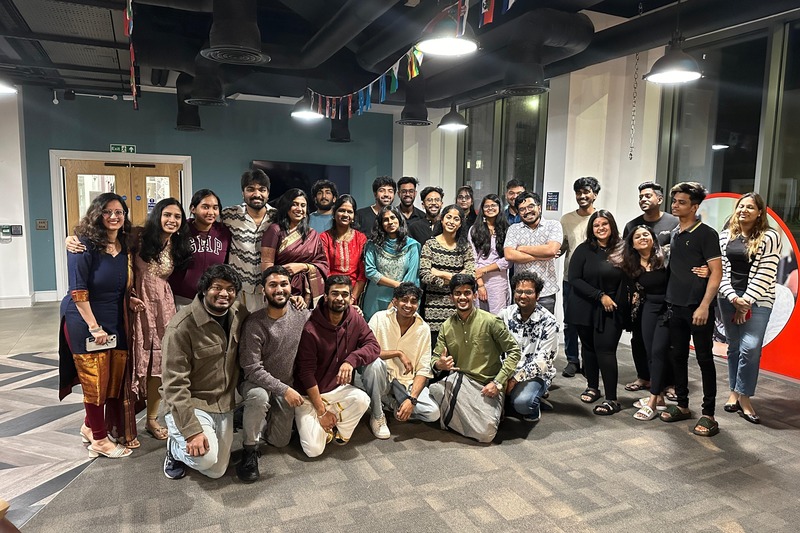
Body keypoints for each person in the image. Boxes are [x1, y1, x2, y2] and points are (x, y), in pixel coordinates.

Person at [58, 193, 135, 459]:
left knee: (111, 378)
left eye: (119, 212)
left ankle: (90, 426)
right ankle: (100, 441)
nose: (114, 216)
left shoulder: (124, 244)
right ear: (97, 214)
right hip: (84, 320)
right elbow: (78, 290)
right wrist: (94, 327)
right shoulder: (82, 245)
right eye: (107, 211)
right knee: (94, 379)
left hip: (114, 318)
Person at [161, 264, 247, 479]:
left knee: (217, 471)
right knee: (205, 458)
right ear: (203, 290)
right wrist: (191, 431)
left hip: (223, 404)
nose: (224, 294)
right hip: (192, 403)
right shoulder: (181, 327)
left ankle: (187, 443)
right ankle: (174, 448)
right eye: (217, 287)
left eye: (230, 289)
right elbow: (174, 384)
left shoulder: (239, 314)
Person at [293, 276, 382, 457]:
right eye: (335, 294)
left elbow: (373, 346)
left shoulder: (354, 318)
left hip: (335, 389)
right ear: (325, 296)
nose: (340, 298)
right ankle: (323, 419)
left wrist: (351, 360)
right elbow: (306, 373)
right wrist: (321, 410)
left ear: (351, 298)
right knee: (313, 451)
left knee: (362, 400)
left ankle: (331, 426)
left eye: (344, 294)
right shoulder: (311, 328)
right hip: (310, 394)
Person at [128, 198, 193, 445]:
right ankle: (125, 418)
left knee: (159, 362)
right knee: (135, 360)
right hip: (136, 304)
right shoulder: (138, 237)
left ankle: (152, 418)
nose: (172, 220)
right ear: (158, 215)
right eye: (168, 215)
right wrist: (73, 241)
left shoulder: (176, 244)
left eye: (177, 217)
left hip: (163, 307)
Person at [237, 266, 310, 482]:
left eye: (284, 284)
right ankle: (249, 451)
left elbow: (327, 318)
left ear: (291, 288)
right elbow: (251, 368)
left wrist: (355, 311)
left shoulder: (301, 315)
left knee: (280, 441)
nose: (279, 289)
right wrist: (284, 389)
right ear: (263, 290)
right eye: (273, 285)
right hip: (255, 383)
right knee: (259, 397)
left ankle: (255, 416)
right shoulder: (254, 323)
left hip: (284, 386)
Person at [660, 182, 722, 437]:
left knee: (705, 360)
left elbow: (716, 273)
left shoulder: (707, 234)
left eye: (681, 202)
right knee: (678, 357)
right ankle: (683, 405)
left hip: (698, 309)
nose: (675, 205)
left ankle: (708, 414)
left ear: (695, 207)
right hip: (675, 306)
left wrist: (705, 305)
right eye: (674, 201)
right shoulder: (675, 232)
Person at [428, 274, 521, 443]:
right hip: (461, 381)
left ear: (475, 295)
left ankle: (454, 416)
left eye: (467, 293)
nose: (462, 297)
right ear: (451, 298)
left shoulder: (491, 321)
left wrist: (498, 382)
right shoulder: (446, 326)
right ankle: (463, 414)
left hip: (488, 385)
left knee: (486, 434)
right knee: (434, 391)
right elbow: (435, 358)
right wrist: (439, 364)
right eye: (457, 293)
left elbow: (514, 351)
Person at [719, 193, 781, 424]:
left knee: (751, 347)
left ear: (759, 213)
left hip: (759, 301)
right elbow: (722, 271)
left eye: (750, 207)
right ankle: (734, 392)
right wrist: (734, 298)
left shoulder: (770, 237)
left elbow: (767, 273)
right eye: (741, 206)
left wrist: (746, 301)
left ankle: (745, 396)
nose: (744, 210)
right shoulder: (726, 236)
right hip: (728, 298)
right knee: (734, 346)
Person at [565, 210, 624, 416]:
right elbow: (574, 278)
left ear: (612, 226)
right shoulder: (583, 249)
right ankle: (592, 387)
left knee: (606, 351)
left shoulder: (621, 249)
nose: (600, 228)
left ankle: (612, 399)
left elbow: (630, 275)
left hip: (611, 309)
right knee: (588, 349)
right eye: (596, 225)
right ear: (592, 228)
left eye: (604, 224)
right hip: (584, 305)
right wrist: (599, 295)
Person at [621, 181, 679, 391]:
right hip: (640, 296)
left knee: (666, 343)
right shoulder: (631, 225)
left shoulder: (674, 222)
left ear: (659, 199)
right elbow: (625, 256)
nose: (643, 200)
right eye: (641, 197)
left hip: (665, 294)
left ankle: (669, 382)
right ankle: (643, 376)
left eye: (648, 196)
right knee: (639, 339)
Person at [610, 226, 671, 421]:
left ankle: (653, 401)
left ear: (653, 238)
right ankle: (659, 396)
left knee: (659, 351)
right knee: (651, 352)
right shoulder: (631, 264)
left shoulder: (667, 257)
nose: (643, 238)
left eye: (646, 234)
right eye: (638, 236)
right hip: (649, 309)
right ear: (632, 244)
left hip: (669, 308)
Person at [367, 283, 439, 426]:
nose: (408, 305)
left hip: (405, 382)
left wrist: (412, 399)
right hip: (383, 378)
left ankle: (392, 404)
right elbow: (367, 352)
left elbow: (424, 369)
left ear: (417, 304)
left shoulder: (423, 328)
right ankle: (377, 414)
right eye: (404, 300)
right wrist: (398, 353)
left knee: (432, 413)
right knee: (374, 364)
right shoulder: (379, 318)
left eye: (413, 301)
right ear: (395, 301)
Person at [498, 271, 559, 423]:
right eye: (519, 291)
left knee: (523, 403)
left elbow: (542, 362)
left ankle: (533, 404)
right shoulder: (505, 314)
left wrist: (513, 381)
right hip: (507, 369)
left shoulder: (549, 322)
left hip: (533, 374)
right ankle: (513, 398)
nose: (523, 296)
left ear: (537, 295)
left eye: (528, 292)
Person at [559, 177, 600, 378]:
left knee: (591, 322)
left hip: (594, 280)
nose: (582, 196)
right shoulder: (566, 219)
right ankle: (572, 360)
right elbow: (564, 245)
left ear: (595, 194)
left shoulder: (602, 218)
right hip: (570, 278)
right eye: (579, 193)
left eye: (586, 192)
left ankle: (589, 360)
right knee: (570, 322)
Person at [261, 188, 329, 307]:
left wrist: (303, 266)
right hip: (281, 291)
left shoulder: (312, 234)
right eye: (294, 204)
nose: (299, 209)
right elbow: (267, 265)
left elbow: (323, 264)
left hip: (308, 293)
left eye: (303, 205)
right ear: (286, 206)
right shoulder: (275, 230)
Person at [419, 204, 475, 343]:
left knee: (458, 349)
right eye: (448, 217)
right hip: (433, 307)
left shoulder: (465, 246)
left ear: (461, 223)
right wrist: (455, 278)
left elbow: (470, 274)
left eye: (456, 219)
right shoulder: (430, 244)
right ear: (442, 220)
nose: (451, 221)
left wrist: (440, 273)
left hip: (459, 305)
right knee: (436, 350)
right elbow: (425, 274)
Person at [222, 169, 275, 312]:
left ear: (268, 193)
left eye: (262, 190)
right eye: (250, 189)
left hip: (268, 290)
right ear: (243, 193)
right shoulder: (228, 215)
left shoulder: (277, 217)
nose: (257, 194)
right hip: (239, 290)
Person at [168, 189, 232, 307]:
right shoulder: (180, 230)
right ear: (193, 209)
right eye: (205, 207)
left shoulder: (224, 232)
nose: (211, 212)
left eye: (215, 207)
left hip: (212, 299)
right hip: (181, 299)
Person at [503, 192, 562, 314]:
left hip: (546, 291)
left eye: (531, 206)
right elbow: (509, 255)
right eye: (522, 209)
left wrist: (521, 248)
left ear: (539, 207)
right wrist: (543, 254)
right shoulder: (513, 229)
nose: (527, 211)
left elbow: (551, 250)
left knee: (546, 330)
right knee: (519, 330)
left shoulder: (553, 225)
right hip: (521, 291)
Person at [363, 206, 421, 321]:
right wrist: (397, 285)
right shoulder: (372, 245)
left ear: (399, 219)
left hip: (403, 301)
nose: (390, 222)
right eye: (385, 219)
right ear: (381, 224)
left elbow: (411, 276)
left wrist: (397, 300)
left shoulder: (412, 245)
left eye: (393, 217)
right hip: (375, 299)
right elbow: (370, 271)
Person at [319, 194, 367, 304]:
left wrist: (352, 298)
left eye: (349, 212)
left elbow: (362, 273)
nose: (345, 214)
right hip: (331, 292)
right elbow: (324, 269)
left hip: (353, 293)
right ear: (334, 213)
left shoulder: (361, 238)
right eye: (341, 210)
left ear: (354, 216)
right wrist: (334, 294)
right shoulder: (324, 238)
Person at [468, 194, 510, 314]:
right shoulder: (474, 230)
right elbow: (472, 258)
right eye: (487, 206)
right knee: (478, 317)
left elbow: (508, 259)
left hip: (498, 281)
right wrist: (480, 283)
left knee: (497, 318)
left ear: (499, 207)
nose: (490, 208)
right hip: (478, 279)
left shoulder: (507, 229)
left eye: (493, 205)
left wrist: (484, 269)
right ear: (482, 209)